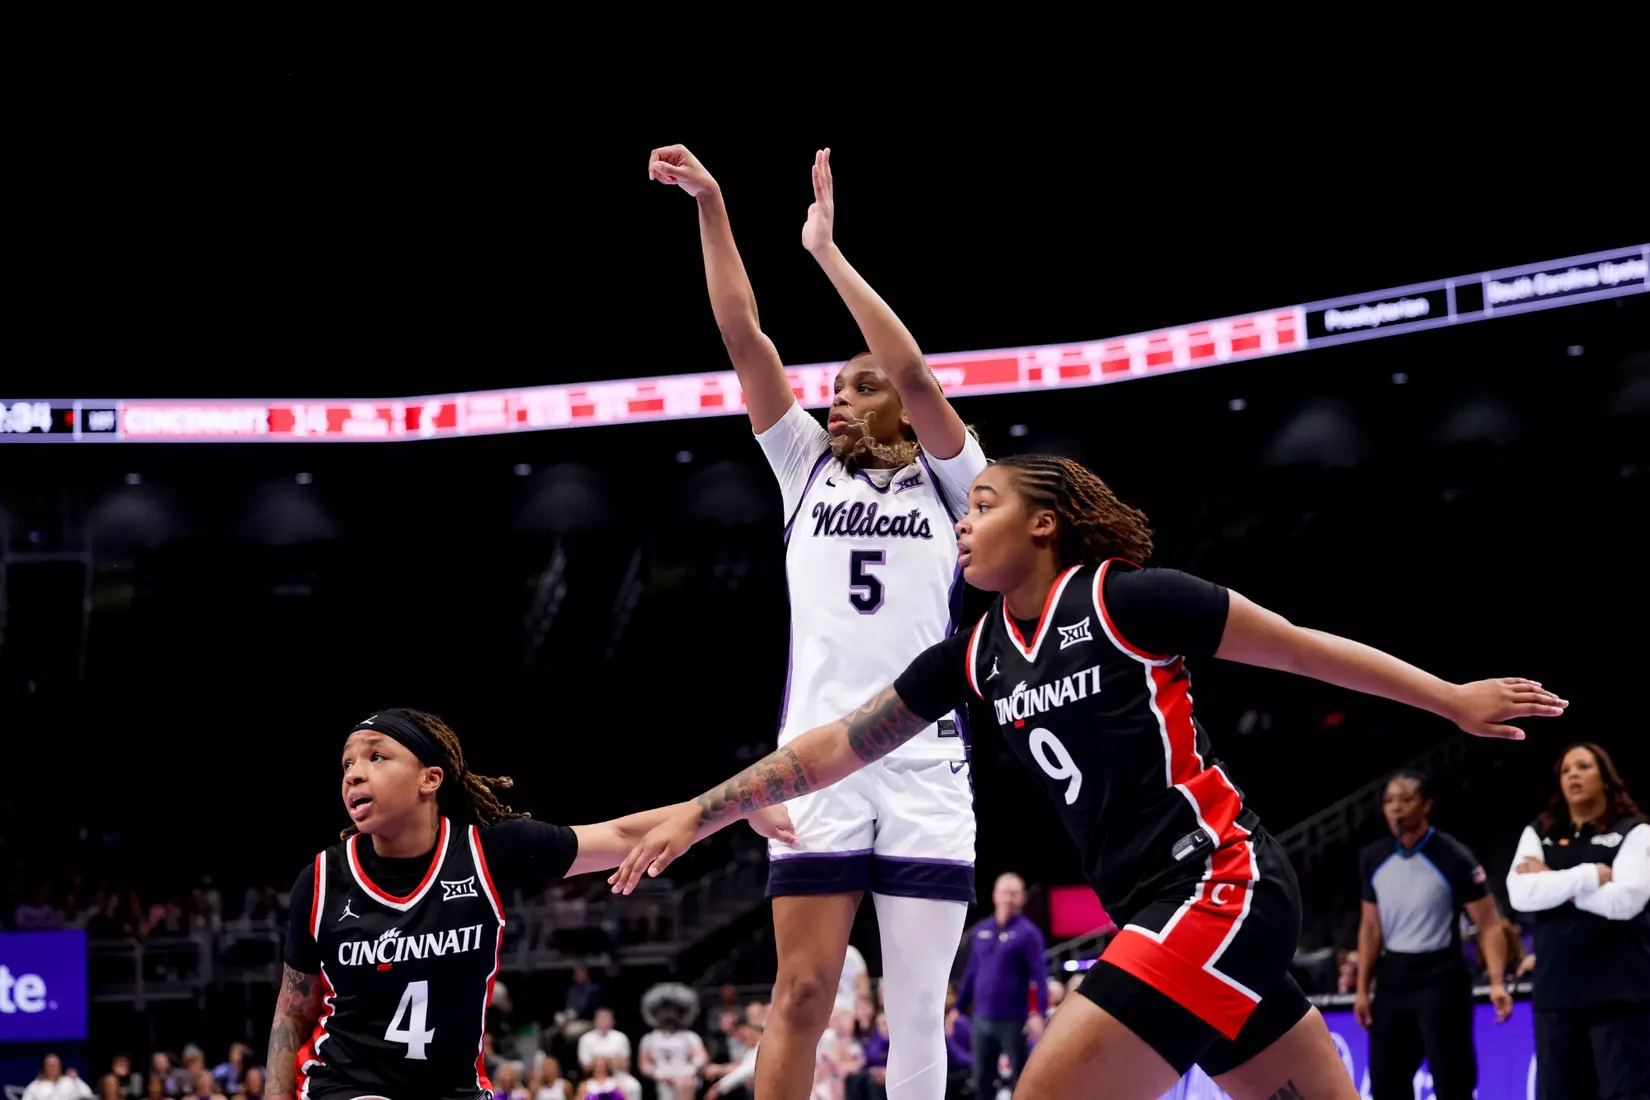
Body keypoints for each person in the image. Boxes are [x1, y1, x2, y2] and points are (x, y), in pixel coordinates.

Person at [611, 453, 1568, 1100]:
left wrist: (1450, 699)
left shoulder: (1129, 602)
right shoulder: (973, 656)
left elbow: (1301, 651)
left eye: (983, 504)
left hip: (1217, 884)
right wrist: (701, 811)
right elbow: (835, 745)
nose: (963, 520)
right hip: (1152, 907)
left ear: (1046, 524)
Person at [649, 144, 987, 1100]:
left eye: (857, 386)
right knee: (802, 993)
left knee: (920, 1005)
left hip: (925, 757)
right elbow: (743, 333)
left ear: (904, 412)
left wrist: (828, 255)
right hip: (816, 759)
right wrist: (712, 203)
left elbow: (914, 370)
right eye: (833, 387)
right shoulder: (803, 469)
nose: (837, 397)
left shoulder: (953, 475)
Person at [263, 708, 706, 1100]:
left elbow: (621, 836)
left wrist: (726, 807)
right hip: (343, 1086)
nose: (353, 773)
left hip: (456, 1089)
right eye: (347, 763)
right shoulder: (322, 880)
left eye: (376, 756)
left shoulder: (489, 853)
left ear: (429, 778)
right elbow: (291, 1008)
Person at [1354, 770, 1510, 1100]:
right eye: (1389, 801)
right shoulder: (1373, 858)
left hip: (1442, 979)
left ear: (1426, 805)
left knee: (1452, 1081)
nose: (1396, 808)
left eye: (1406, 800)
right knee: (1386, 1083)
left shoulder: (1453, 855)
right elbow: (1370, 927)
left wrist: (1496, 981)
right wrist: (1362, 990)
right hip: (1393, 979)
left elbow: (1490, 923)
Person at [1506, 741, 1650, 1098]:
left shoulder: (1636, 832)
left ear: (1605, 778)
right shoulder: (1540, 830)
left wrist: (1551, 877)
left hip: (1621, 996)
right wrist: (1587, 877)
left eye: (1584, 767)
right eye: (1567, 769)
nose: (1573, 775)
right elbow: (1520, 893)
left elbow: (1625, 901)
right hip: (1557, 996)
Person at [956, 872, 1046, 1100]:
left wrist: (1039, 1013)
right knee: (981, 1080)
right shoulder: (981, 931)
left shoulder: (1029, 934)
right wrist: (957, 1008)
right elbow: (971, 973)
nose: (1009, 899)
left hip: (1014, 1021)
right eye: (1005, 893)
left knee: (1022, 1080)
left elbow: (1040, 976)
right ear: (995, 895)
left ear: (1022, 898)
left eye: (1014, 894)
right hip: (982, 1020)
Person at [24, 1056, 93, 1100]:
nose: (52, 1068)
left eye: (54, 1065)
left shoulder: (70, 1082)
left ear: (60, 1067)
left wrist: (77, 1080)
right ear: (44, 1067)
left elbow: (87, 1095)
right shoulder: (35, 1086)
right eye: (49, 1066)